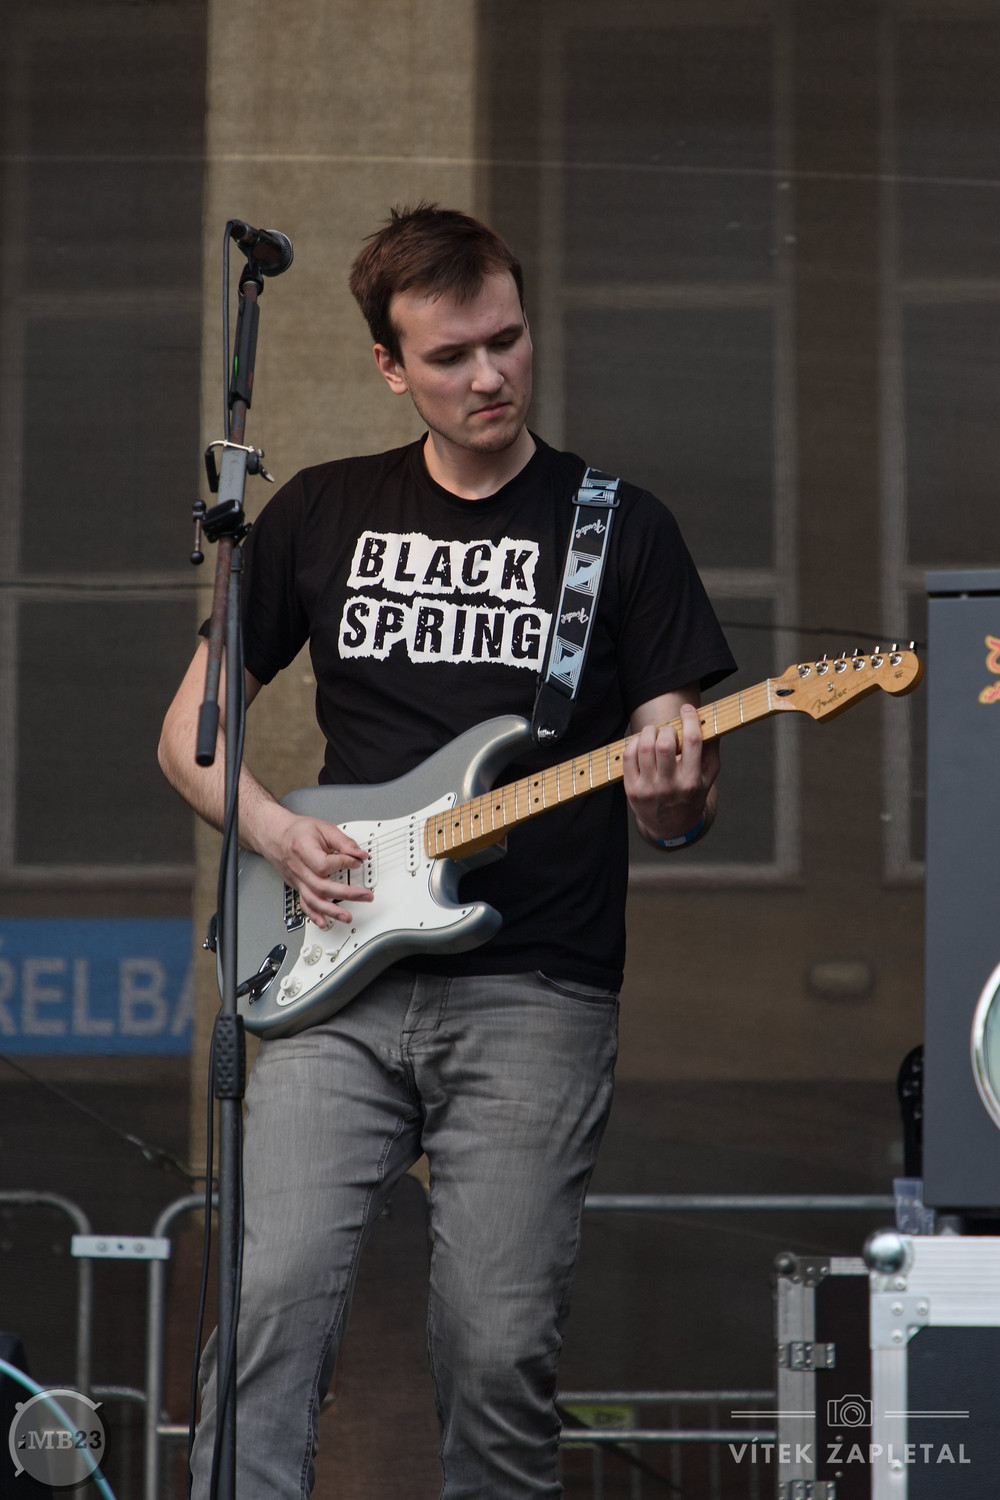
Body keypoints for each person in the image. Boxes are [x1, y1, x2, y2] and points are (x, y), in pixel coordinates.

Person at [158, 204, 736, 1500]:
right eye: (451, 355)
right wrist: (277, 832)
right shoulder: (320, 510)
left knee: (498, 1350)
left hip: (536, 986)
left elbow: (673, 802)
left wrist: (674, 790)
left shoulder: (619, 528)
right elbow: (190, 738)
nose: (489, 376)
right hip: (332, 976)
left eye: (507, 340)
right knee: (267, 1307)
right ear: (389, 366)